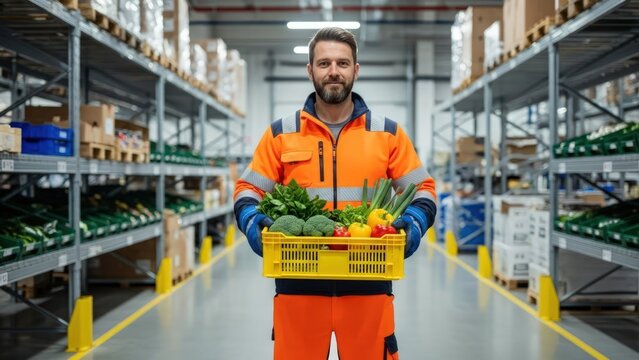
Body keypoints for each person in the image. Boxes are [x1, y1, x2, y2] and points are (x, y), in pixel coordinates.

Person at [234, 27, 437, 360]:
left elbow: (423, 190)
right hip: (298, 280)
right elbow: (248, 189)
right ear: (310, 70)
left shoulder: (386, 133)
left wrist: (412, 223)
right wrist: (254, 222)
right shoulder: (281, 133)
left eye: (342, 63)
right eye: (324, 63)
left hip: (368, 280)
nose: (333, 71)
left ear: (355, 70)